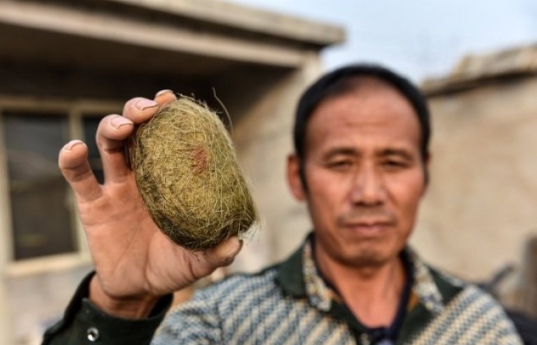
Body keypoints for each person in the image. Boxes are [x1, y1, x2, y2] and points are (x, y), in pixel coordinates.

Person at [42, 64, 522, 345]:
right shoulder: (220, 324)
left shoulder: (483, 325)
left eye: (394, 162)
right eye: (340, 162)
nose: (369, 192)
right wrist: (121, 305)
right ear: (298, 177)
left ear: (424, 174)